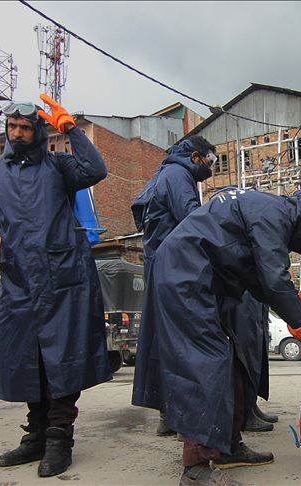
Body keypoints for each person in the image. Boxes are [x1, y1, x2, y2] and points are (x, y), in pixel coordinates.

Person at [0, 95, 111, 477]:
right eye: (12, 127)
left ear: (38, 131)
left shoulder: (58, 165)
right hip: (20, 280)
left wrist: (71, 129)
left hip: (64, 278)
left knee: (62, 360)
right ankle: (36, 435)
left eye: (25, 127)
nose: (18, 133)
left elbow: (95, 169)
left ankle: (59, 438)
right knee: (28, 360)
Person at [132, 188, 301, 486]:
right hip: (185, 273)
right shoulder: (273, 214)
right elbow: (274, 280)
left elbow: (262, 281)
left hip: (199, 273)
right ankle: (196, 468)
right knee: (205, 362)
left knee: (231, 361)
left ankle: (226, 445)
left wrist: (298, 310)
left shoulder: (268, 211)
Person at [131, 135, 219, 436]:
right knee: (180, 339)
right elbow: (193, 220)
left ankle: (168, 414)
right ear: (195, 157)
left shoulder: (167, 173)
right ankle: (179, 416)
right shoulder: (178, 175)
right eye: (210, 160)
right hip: (173, 268)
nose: (211, 168)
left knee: (162, 338)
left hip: (162, 265)